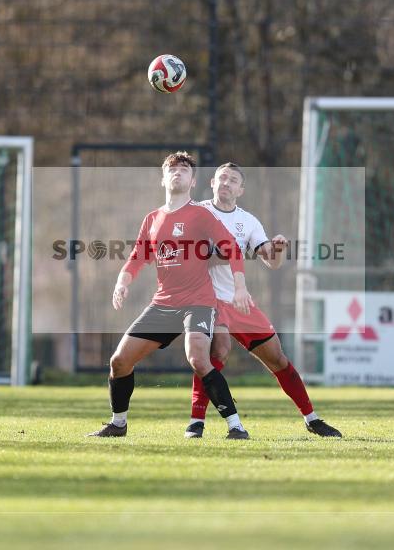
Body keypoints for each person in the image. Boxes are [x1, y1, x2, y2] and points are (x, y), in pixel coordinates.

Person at [88, 152, 255, 439]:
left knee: (198, 358)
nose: (178, 173)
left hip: (199, 302)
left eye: (184, 170)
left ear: (193, 182)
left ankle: (236, 427)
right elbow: (138, 256)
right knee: (119, 362)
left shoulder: (201, 215)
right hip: (164, 304)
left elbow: (232, 249)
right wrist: (122, 281)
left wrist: (240, 286)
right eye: (172, 169)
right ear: (162, 179)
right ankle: (118, 424)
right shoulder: (152, 218)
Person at [185, 163, 342, 439]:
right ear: (212, 182)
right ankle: (196, 423)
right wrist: (225, 253)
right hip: (207, 300)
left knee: (278, 358)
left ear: (241, 190)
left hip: (239, 302)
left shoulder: (248, 221)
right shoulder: (198, 213)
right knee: (216, 354)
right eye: (222, 178)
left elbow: (273, 262)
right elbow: (190, 255)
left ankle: (311, 418)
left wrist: (279, 249)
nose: (227, 183)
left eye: (233, 180)